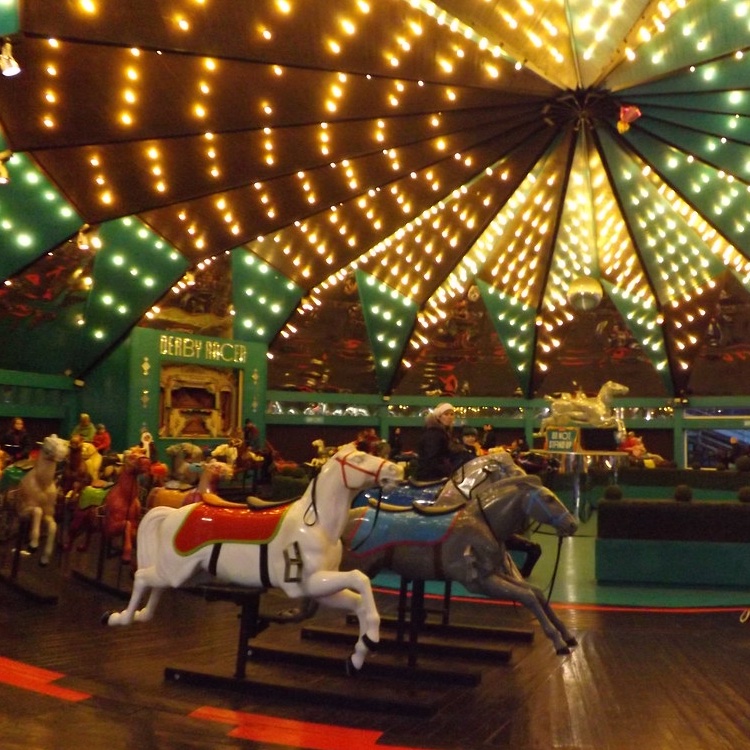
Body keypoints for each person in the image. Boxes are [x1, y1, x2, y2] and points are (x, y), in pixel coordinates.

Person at [414, 403, 464, 481]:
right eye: (446, 414)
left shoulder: (443, 432)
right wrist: (448, 470)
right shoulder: (434, 434)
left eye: (452, 414)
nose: (449, 417)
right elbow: (432, 458)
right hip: (431, 477)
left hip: (436, 474)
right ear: (439, 417)